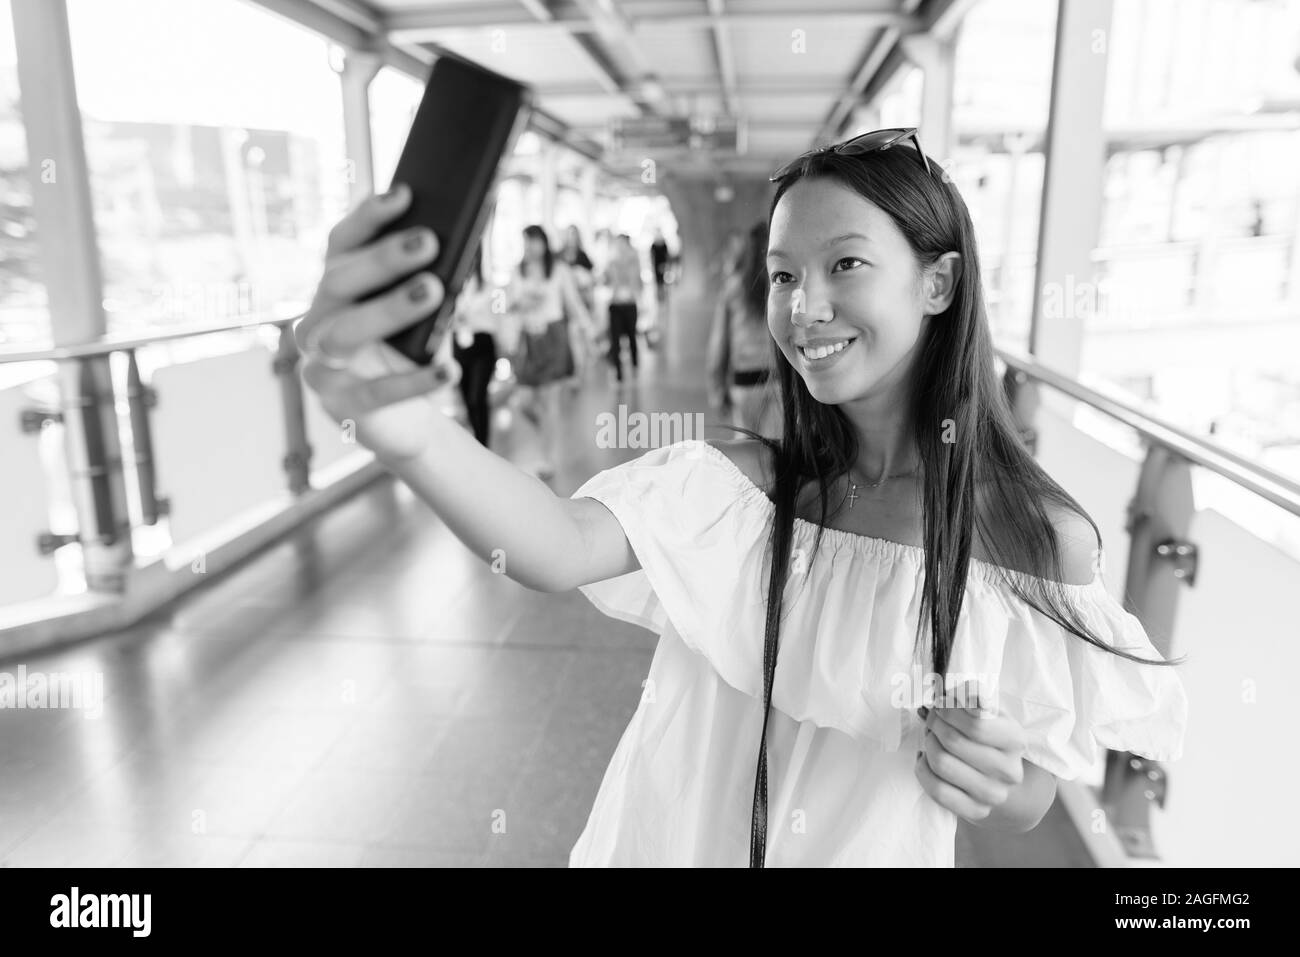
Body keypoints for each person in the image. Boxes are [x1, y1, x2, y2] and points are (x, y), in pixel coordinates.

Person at [293, 132, 1188, 867]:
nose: (805, 307)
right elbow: (555, 543)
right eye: (784, 274)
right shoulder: (745, 487)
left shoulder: (1035, 539)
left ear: (939, 283)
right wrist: (408, 430)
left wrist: (992, 776)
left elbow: (1032, 785)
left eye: (845, 264)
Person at [505, 224, 592, 479]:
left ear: (543, 242)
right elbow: (507, 304)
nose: (529, 247)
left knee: (550, 401)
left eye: (533, 241)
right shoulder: (517, 272)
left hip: (553, 337)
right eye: (525, 242)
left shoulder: (559, 271)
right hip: (528, 340)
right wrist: (520, 303)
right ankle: (546, 430)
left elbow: (573, 303)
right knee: (524, 401)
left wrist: (588, 330)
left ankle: (547, 457)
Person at [706, 220, 779, 438]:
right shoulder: (780, 285)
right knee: (776, 452)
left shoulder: (733, 287)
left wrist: (717, 389)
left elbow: (719, 343)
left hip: (744, 382)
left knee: (745, 451)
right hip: (777, 380)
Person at [450, 245, 498, 447]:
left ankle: (483, 443)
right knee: (468, 399)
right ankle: (478, 440)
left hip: (482, 343)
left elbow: (495, 318)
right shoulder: (453, 287)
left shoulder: (487, 286)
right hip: (460, 344)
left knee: (477, 396)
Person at [558, 224, 598, 389]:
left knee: (576, 340)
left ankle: (577, 373)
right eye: (569, 234)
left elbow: (591, 280)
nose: (571, 238)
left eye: (574, 234)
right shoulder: (559, 256)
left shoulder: (583, 257)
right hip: (562, 307)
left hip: (579, 304)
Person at [604, 234, 642, 385]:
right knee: (615, 338)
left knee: (632, 336)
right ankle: (618, 373)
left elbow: (636, 281)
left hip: (629, 304)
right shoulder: (611, 262)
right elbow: (607, 280)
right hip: (615, 304)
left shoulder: (634, 260)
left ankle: (634, 364)